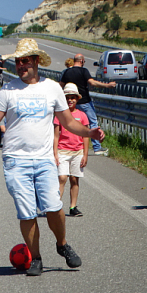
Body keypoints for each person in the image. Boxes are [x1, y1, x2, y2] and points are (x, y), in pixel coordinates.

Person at [0, 39, 105, 276]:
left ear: (36, 61)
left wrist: (89, 132)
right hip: (16, 161)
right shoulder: (8, 90)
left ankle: (62, 244)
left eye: (25, 60)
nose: (21, 65)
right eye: (18, 61)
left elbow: (68, 122)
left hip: (46, 159)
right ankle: (35, 258)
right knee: (26, 212)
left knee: (54, 206)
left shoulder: (52, 88)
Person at [60, 53, 116, 156]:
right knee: (93, 123)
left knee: (71, 123)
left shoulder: (67, 72)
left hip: (71, 103)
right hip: (85, 101)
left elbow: (60, 85)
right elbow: (92, 83)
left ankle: (71, 145)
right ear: (81, 61)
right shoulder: (84, 71)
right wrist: (107, 85)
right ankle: (97, 147)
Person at [53, 83, 89, 217]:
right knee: (62, 178)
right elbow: (56, 135)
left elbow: (85, 136)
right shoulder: (59, 116)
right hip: (62, 150)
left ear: (77, 99)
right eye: (67, 97)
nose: (70, 100)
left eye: (73, 97)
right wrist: (55, 153)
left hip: (77, 151)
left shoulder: (82, 116)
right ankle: (56, 206)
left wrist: (85, 154)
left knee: (74, 179)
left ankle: (73, 206)